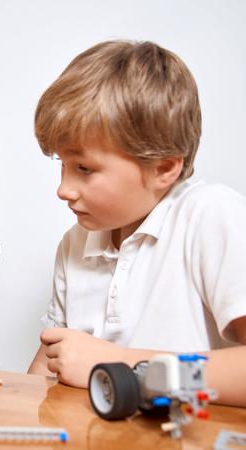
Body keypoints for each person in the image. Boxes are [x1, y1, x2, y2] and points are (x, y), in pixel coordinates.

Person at [27, 40, 246, 407]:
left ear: (162, 168)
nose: (63, 190)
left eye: (84, 168)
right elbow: (46, 370)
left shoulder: (211, 215)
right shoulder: (76, 242)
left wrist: (126, 367)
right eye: (61, 165)